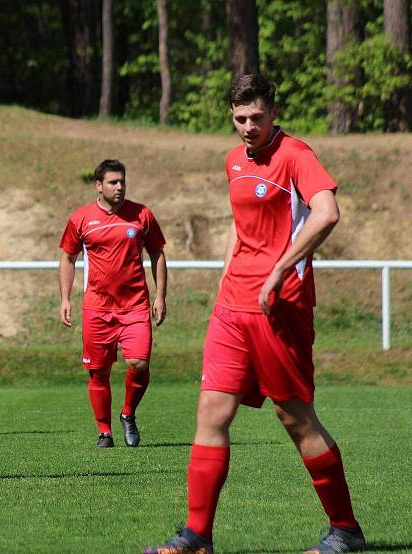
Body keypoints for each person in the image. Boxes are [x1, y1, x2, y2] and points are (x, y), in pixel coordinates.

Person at [144, 74, 364, 554]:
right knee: (211, 413)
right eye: (240, 119)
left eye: (257, 118)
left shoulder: (295, 155)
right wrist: (226, 277)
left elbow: (327, 212)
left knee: (294, 417)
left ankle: (345, 530)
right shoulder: (233, 159)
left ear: (273, 112)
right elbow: (240, 225)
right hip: (233, 309)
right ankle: (197, 536)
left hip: (278, 308)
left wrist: (279, 270)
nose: (248, 127)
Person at [59, 159, 167, 448]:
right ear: (98, 185)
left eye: (122, 182)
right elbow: (68, 257)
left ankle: (128, 413)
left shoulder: (141, 215)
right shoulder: (81, 219)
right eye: (112, 182)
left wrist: (160, 296)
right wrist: (65, 299)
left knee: (139, 363)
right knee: (98, 372)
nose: (119, 187)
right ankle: (104, 432)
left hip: (135, 306)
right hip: (97, 307)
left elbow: (157, 253)